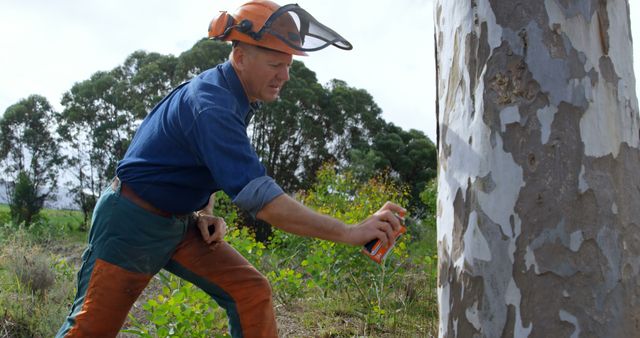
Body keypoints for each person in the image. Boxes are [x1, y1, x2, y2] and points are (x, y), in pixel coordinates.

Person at [56, 1, 405, 337]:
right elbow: (265, 202)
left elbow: (189, 160)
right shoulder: (212, 105)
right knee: (90, 330)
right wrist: (349, 231)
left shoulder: (231, 95)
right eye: (274, 65)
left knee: (251, 292)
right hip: (132, 221)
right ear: (240, 57)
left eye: (288, 65)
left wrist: (204, 208)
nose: (284, 76)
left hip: (180, 223)